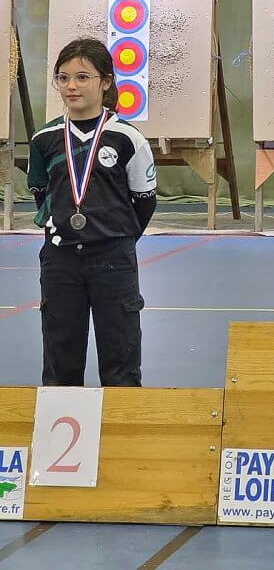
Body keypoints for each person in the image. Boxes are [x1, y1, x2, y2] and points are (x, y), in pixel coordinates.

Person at [27, 38, 157, 386]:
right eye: (63, 77)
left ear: (106, 81)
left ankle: (122, 424)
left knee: (121, 361)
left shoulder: (127, 138)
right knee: (60, 361)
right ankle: (61, 422)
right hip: (60, 261)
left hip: (114, 260)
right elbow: (41, 194)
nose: (71, 86)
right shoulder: (44, 139)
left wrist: (114, 236)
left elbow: (145, 201)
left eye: (83, 77)